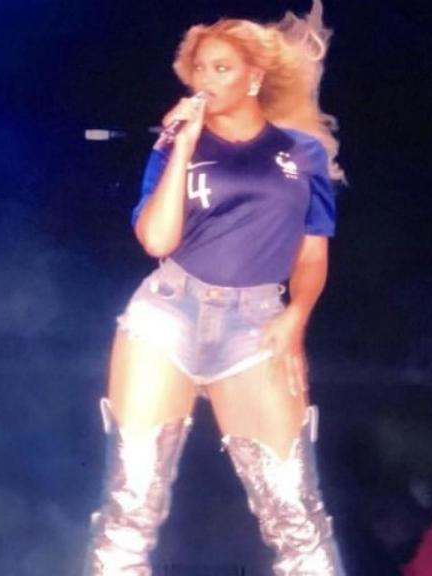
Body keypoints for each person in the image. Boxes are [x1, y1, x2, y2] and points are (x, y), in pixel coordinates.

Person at [87, 2, 345, 575]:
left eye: (222, 68)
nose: (207, 80)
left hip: (256, 326)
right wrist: (180, 143)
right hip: (165, 317)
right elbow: (156, 240)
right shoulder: (174, 145)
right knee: (129, 509)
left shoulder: (301, 154)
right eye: (200, 69)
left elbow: (313, 252)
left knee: (296, 516)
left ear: (254, 77)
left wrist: (296, 316)